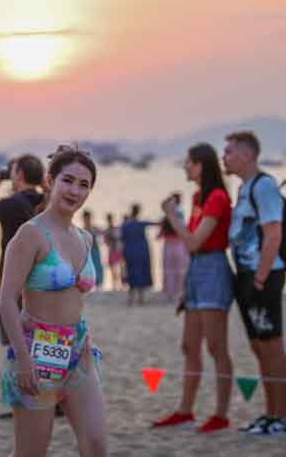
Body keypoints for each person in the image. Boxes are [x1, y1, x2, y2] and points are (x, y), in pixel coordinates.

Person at [0, 147, 106, 457]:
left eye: (84, 184)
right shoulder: (30, 234)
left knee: (97, 446)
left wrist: (82, 338)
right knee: (31, 452)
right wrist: (22, 357)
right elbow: (7, 300)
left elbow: (75, 299)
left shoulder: (85, 238)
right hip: (37, 351)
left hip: (79, 349)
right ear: (50, 180)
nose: (75, 190)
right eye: (68, 180)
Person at [152, 143, 235, 433]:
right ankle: (185, 410)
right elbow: (193, 247)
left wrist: (171, 214)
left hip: (212, 269)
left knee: (216, 346)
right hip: (197, 270)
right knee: (189, 346)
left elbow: (194, 241)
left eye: (188, 163)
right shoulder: (199, 196)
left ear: (201, 165)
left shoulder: (217, 197)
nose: (185, 167)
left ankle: (221, 414)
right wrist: (187, 286)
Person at [223, 131, 286, 435]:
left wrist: (261, 278)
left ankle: (282, 416)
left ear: (247, 155)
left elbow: (274, 234)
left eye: (229, 152)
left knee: (272, 346)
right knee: (258, 347)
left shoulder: (264, 186)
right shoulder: (244, 188)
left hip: (263, 276)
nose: (224, 157)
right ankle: (269, 413)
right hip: (247, 276)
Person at [0, 155, 44, 344]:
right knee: (38, 336)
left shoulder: (9, 204)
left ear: (19, 174)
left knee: (11, 339)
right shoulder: (47, 203)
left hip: (11, 279)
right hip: (41, 277)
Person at [121, 204, 155, 306]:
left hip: (130, 251)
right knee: (142, 273)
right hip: (141, 251)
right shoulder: (140, 223)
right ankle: (141, 299)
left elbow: (122, 239)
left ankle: (131, 299)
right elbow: (155, 223)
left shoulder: (126, 224)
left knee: (132, 274)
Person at [158, 193, 189, 303]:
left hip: (169, 245)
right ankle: (179, 292)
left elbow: (160, 234)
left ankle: (170, 293)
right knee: (180, 269)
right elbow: (183, 228)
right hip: (179, 244)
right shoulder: (179, 213)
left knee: (169, 269)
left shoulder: (167, 214)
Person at [82, 210, 105, 289]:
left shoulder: (93, 228)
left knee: (97, 266)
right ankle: (89, 284)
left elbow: (103, 233)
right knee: (88, 268)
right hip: (87, 252)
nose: (87, 220)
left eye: (88, 218)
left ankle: (98, 284)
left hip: (95, 250)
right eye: (86, 218)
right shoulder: (82, 229)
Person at [103, 213, 125, 291]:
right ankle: (115, 285)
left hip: (117, 250)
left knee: (120, 268)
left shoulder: (115, 229)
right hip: (113, 250)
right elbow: (106, 241)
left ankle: (121, 285)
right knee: (115, 269)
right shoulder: (109, 230)